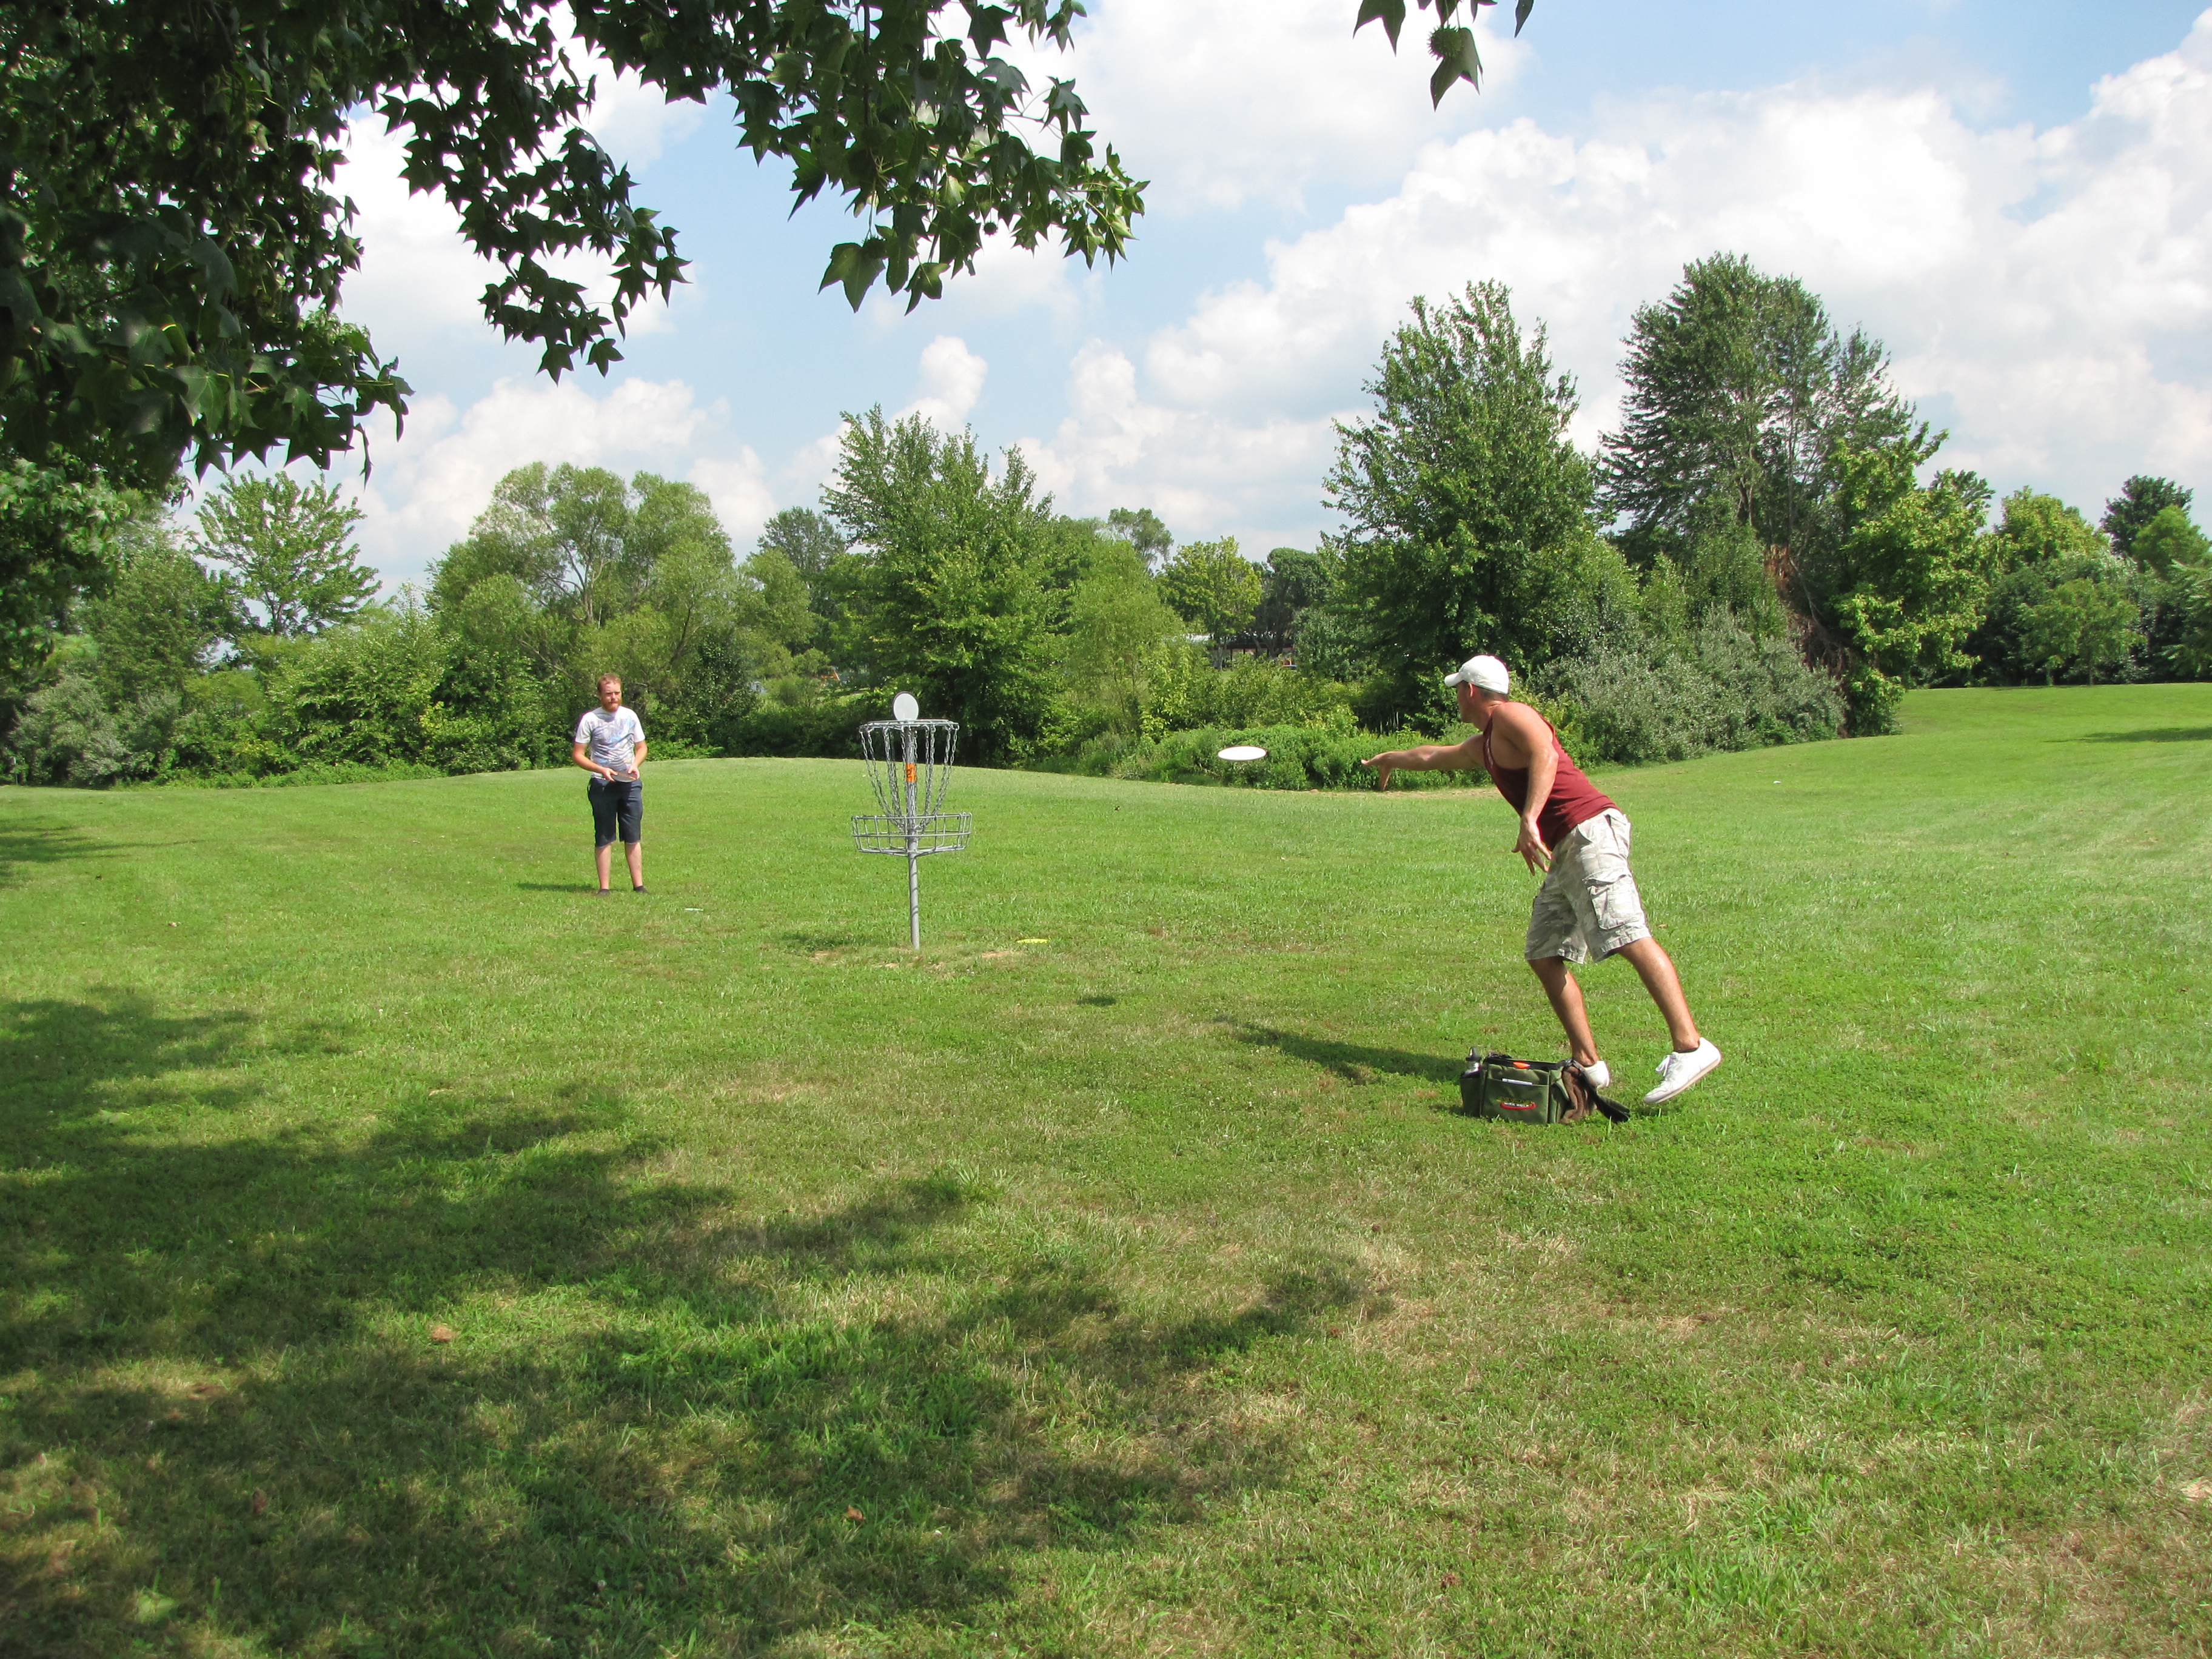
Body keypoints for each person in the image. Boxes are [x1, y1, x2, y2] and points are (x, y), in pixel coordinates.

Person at [1359, 653, 1721, 1106]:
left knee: (1626, 934)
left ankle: (1690, 1045)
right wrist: (1390, 759)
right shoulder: (1485, 743)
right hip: (1564, 849)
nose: (1455, 696)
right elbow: (1433, 755)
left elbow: (1545, 753)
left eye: (1458, 688)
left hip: (1588, 832)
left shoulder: (1513, 715)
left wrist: (1529, 818)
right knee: (1544, 952)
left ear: (1471, 690)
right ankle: (1588, 1062)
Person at [572, 674, 648, 895]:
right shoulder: (590, 720)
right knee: (604, 835)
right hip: (602, 784)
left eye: (617, 693)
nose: (614, 698)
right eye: (609, 694)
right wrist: (601, 769)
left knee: (633, 834)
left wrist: (635, 764)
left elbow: (642, 747)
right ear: (599, 695)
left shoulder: (630, 716)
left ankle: (639, 885)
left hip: (630, 782)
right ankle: (604, 888)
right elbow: (578, 755)